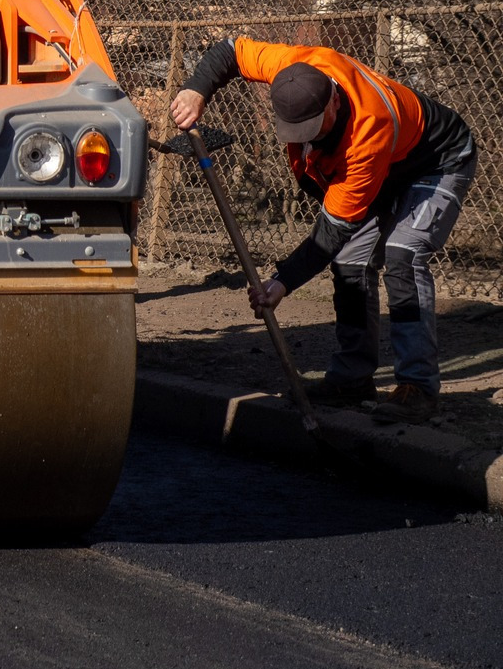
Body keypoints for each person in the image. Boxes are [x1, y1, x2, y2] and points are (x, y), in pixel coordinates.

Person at [171, 39, 478, 425]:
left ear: (334, 99)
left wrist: (282, 282)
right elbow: (229, 51)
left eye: (313, 128)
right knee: (350, 264)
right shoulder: (295, 66)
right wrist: (196, 89)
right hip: (382, 170)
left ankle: (418, 388)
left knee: (404, 254)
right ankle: (352, 379)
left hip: (436, 160)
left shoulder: (368, 130)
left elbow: (330, 234)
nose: (305, 139)